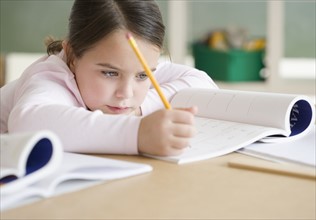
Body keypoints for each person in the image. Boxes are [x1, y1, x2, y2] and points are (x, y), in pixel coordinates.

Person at [0, 0, 217, 156]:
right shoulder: (50, 77)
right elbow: (27, 123)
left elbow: (204, 84)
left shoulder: (129, 70)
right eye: (110, 73)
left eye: (143, 75)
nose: (127, 93)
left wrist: (140, 109)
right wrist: (137, 132)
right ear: (73, 56)